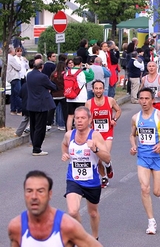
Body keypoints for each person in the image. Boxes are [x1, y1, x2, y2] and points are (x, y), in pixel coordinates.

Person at [8, 170, 102, 246]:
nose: (34, 196)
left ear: (49, 194)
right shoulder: (16, 227)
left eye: (40, 191)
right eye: (29, 191)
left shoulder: (67, 226)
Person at [130, 88, 160, 234]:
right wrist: (133, 146)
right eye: (141, 98)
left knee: (156, 192)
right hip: (143, 158)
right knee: (144, 188)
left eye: (146, 98)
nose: (144, 101)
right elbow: (132, 135)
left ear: (152, 100)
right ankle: (151, 222)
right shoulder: (135, 118)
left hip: (158, 157)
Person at [61, 106, 111, 240]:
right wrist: (64, 154)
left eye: (83, 118)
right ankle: (81, 237)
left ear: (90, 120)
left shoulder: (95, 136)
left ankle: (95, 238)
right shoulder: (69, 135)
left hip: (92, 180)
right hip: (74, 179)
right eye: (77, 118)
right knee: (72, 211)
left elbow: (107, 158)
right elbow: (64, 144)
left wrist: (95, 149)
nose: (79, 121)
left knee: (93, 213)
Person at [85, 80, 120, 188]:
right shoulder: (89, 103)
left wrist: (114, 119)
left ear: (103, 89)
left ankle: (108, 164)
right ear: (93, 89)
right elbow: (87, 117)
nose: (99, 91)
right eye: (96, 88)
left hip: (107, 131)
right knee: (98, 158)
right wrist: (88, 123)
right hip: (95, 134)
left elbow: (118, 110)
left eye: (100, 88)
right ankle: (104, 177)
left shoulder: (110, 100)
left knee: (105, 155)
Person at [26, 59, 57, 156]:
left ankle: (34, 143)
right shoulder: (43, 77)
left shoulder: (29, 75)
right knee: (40, 126)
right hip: (41, 104)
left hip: (31, 103)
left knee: (33, 125)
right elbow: (52, 86)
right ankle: (37, 148)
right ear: (42, 66)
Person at [66, 57, 90, 131]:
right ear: (80, 63)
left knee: (70, 116)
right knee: (80, 115)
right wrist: (89, 68)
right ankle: (79, 131)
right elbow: (91, 77)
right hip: (80, 97)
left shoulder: (68, 72)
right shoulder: (82, 73)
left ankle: (68, 132)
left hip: (70, 97)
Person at [7, 47, 22, 115]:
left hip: (10, 77)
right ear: (11, 51)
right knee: (18, 94)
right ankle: (19, 110)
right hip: (15, 77)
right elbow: (18, 67)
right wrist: (19, 65)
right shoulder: (12, 58)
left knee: (13, 94)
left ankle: (13, 109)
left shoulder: (6, 57)